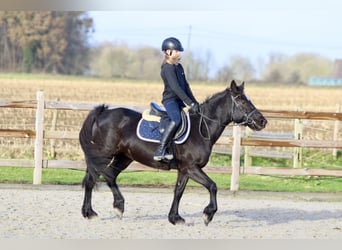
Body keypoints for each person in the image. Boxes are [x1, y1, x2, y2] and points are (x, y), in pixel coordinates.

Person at [153, 37, 200, 161]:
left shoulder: (179, 67)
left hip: (179, 100)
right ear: (168, 52)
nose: (179, 53)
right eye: (177, 51)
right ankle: (161, 149)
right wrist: (189, 103)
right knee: (176, 119)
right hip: (171, 101)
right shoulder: (167, 69)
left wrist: (194, 102)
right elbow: (175, 88)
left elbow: (186, 86)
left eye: (179, 51)